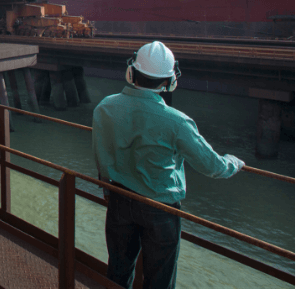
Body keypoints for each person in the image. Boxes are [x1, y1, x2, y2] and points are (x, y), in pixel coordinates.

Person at [92, 41, 245, 289]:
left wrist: (108, 188)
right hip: (160, 210)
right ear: (169, 81)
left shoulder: (105, 107)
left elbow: (101, 155)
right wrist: (233, 163)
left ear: (131, 72)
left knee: (118, 271)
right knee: (159, 281)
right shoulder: (178, 122)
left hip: (119, 199)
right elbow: (211, 165)